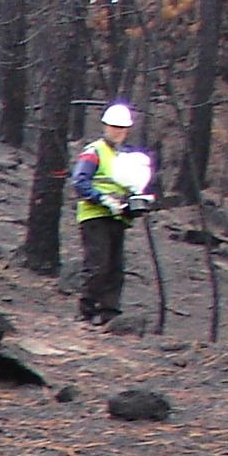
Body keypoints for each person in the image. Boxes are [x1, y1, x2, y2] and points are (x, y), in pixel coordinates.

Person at [69, 100, 151, 326]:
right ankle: (86, 310)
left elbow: (129, 185)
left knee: (115, 268)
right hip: (94, 215)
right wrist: (103, 199)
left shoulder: (125, 157)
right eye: (114, 127)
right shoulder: (94, 152)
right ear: (105, 126)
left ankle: (109, 313)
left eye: (122, 128)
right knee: (97, 265)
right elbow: (80, 182)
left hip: (118, 217)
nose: (118, 132)